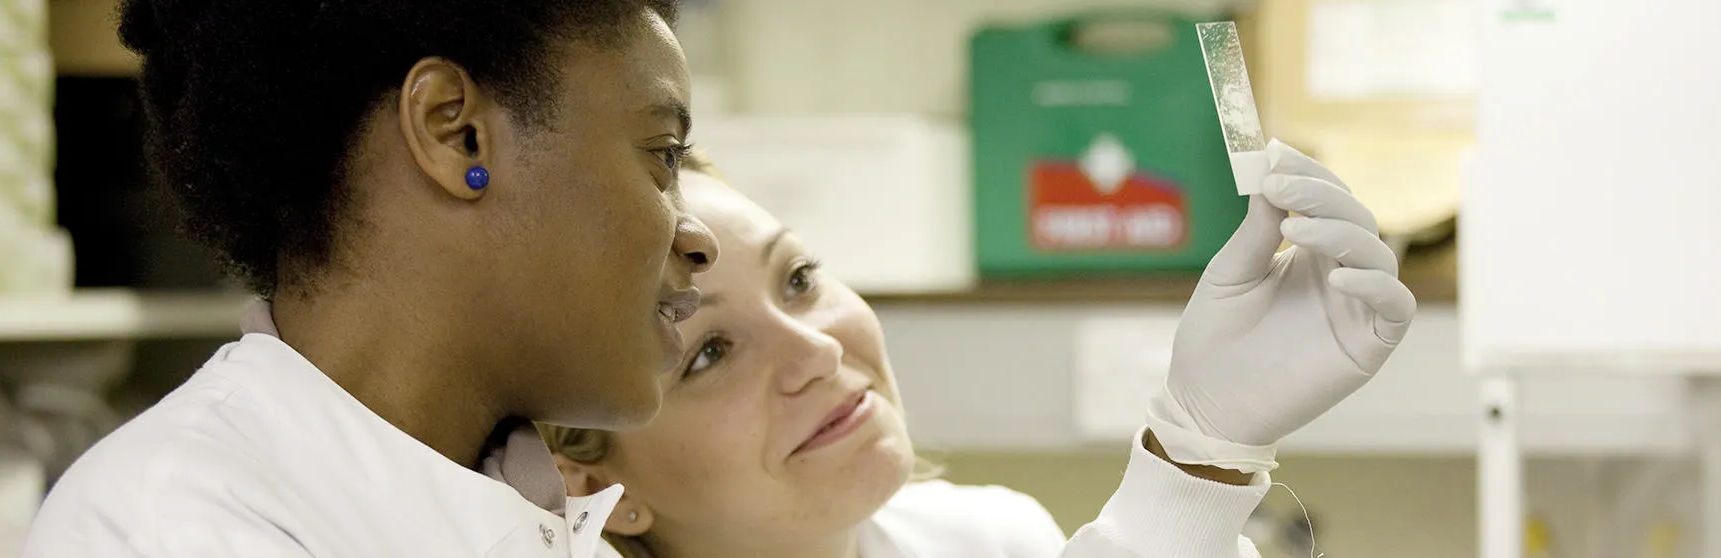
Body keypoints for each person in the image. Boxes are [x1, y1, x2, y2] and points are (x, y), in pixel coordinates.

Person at [21, 1, 717, 557]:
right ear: (455, 132)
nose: (698, 238)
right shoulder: (170, 527)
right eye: (660, 156)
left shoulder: (542, 517)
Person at [492, 142, 1417, 557]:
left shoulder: (987, 538)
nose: (813, 351)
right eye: (706, 355)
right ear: (592, 487)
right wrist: (1194, 454)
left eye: (800, 280)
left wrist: (1215, 440)